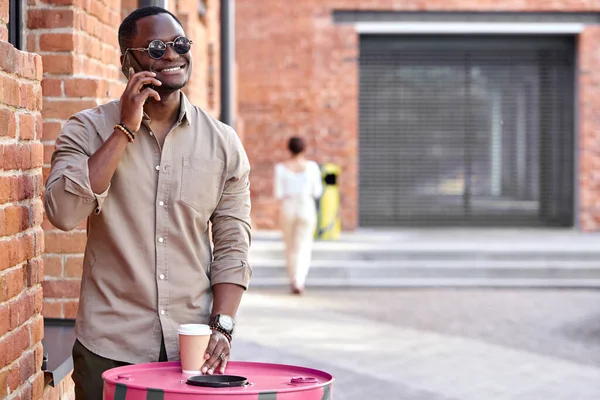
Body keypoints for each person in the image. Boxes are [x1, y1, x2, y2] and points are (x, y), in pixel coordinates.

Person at [43, 6, 252, 399]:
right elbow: (64, 214)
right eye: (156, 48)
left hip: (190, 349)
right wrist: (124, 128)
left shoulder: (223, 144)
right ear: (128, 61)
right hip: (110, 347)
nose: (172, 54)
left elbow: (232, 244)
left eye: (180, 44)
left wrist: (223, 325)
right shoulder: (86, 130)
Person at [274, 137, 323, 295]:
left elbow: (278, 193)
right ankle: (299, 280)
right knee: (304, 245)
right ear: (304, 149)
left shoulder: (281, 168)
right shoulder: (312, 167)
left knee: (290, 246)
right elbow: (317, 191)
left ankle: (292, 278)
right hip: (306, 206)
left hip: (288, 206)